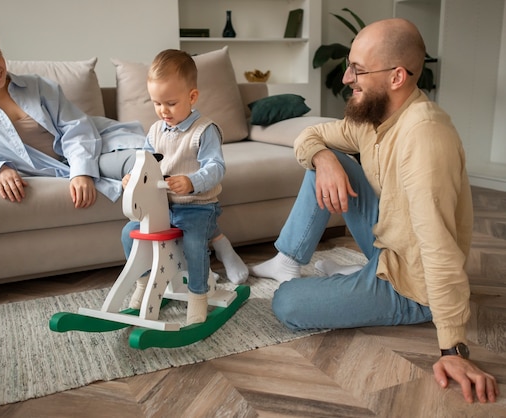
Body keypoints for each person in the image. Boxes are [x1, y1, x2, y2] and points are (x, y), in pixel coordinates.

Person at [250, 18, 499, 403]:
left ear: (397, 76)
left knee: (287, 303)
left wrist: (453, 349)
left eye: (359, 69)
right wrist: (323, 159)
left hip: (413, 284)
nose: (348, 77)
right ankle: (290, 259)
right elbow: (309, 136)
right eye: (350, 66)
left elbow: (439, 246)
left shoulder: (426, 138)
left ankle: (366, 281)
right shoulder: (373, 119)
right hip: (389, 242)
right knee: (328, 161)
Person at [0, 21, 145, 208]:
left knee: (150, 163)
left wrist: (81, 172)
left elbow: (77, 128)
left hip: (88, 149)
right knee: (145, 171)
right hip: (55, 167)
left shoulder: (36, 85)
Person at [121, 49, 247, 325]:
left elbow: (216, 167)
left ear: (192, 97)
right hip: (164, 207)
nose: (163, 111)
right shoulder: (155, 131)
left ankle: (198, 296)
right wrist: (132, 177)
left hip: (198, 207)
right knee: (129, 234)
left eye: (170, 103)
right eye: (156, 103)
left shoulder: (204, 130)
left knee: (193, 244)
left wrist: (191, 182)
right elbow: (144, 162)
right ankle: (144, 285)